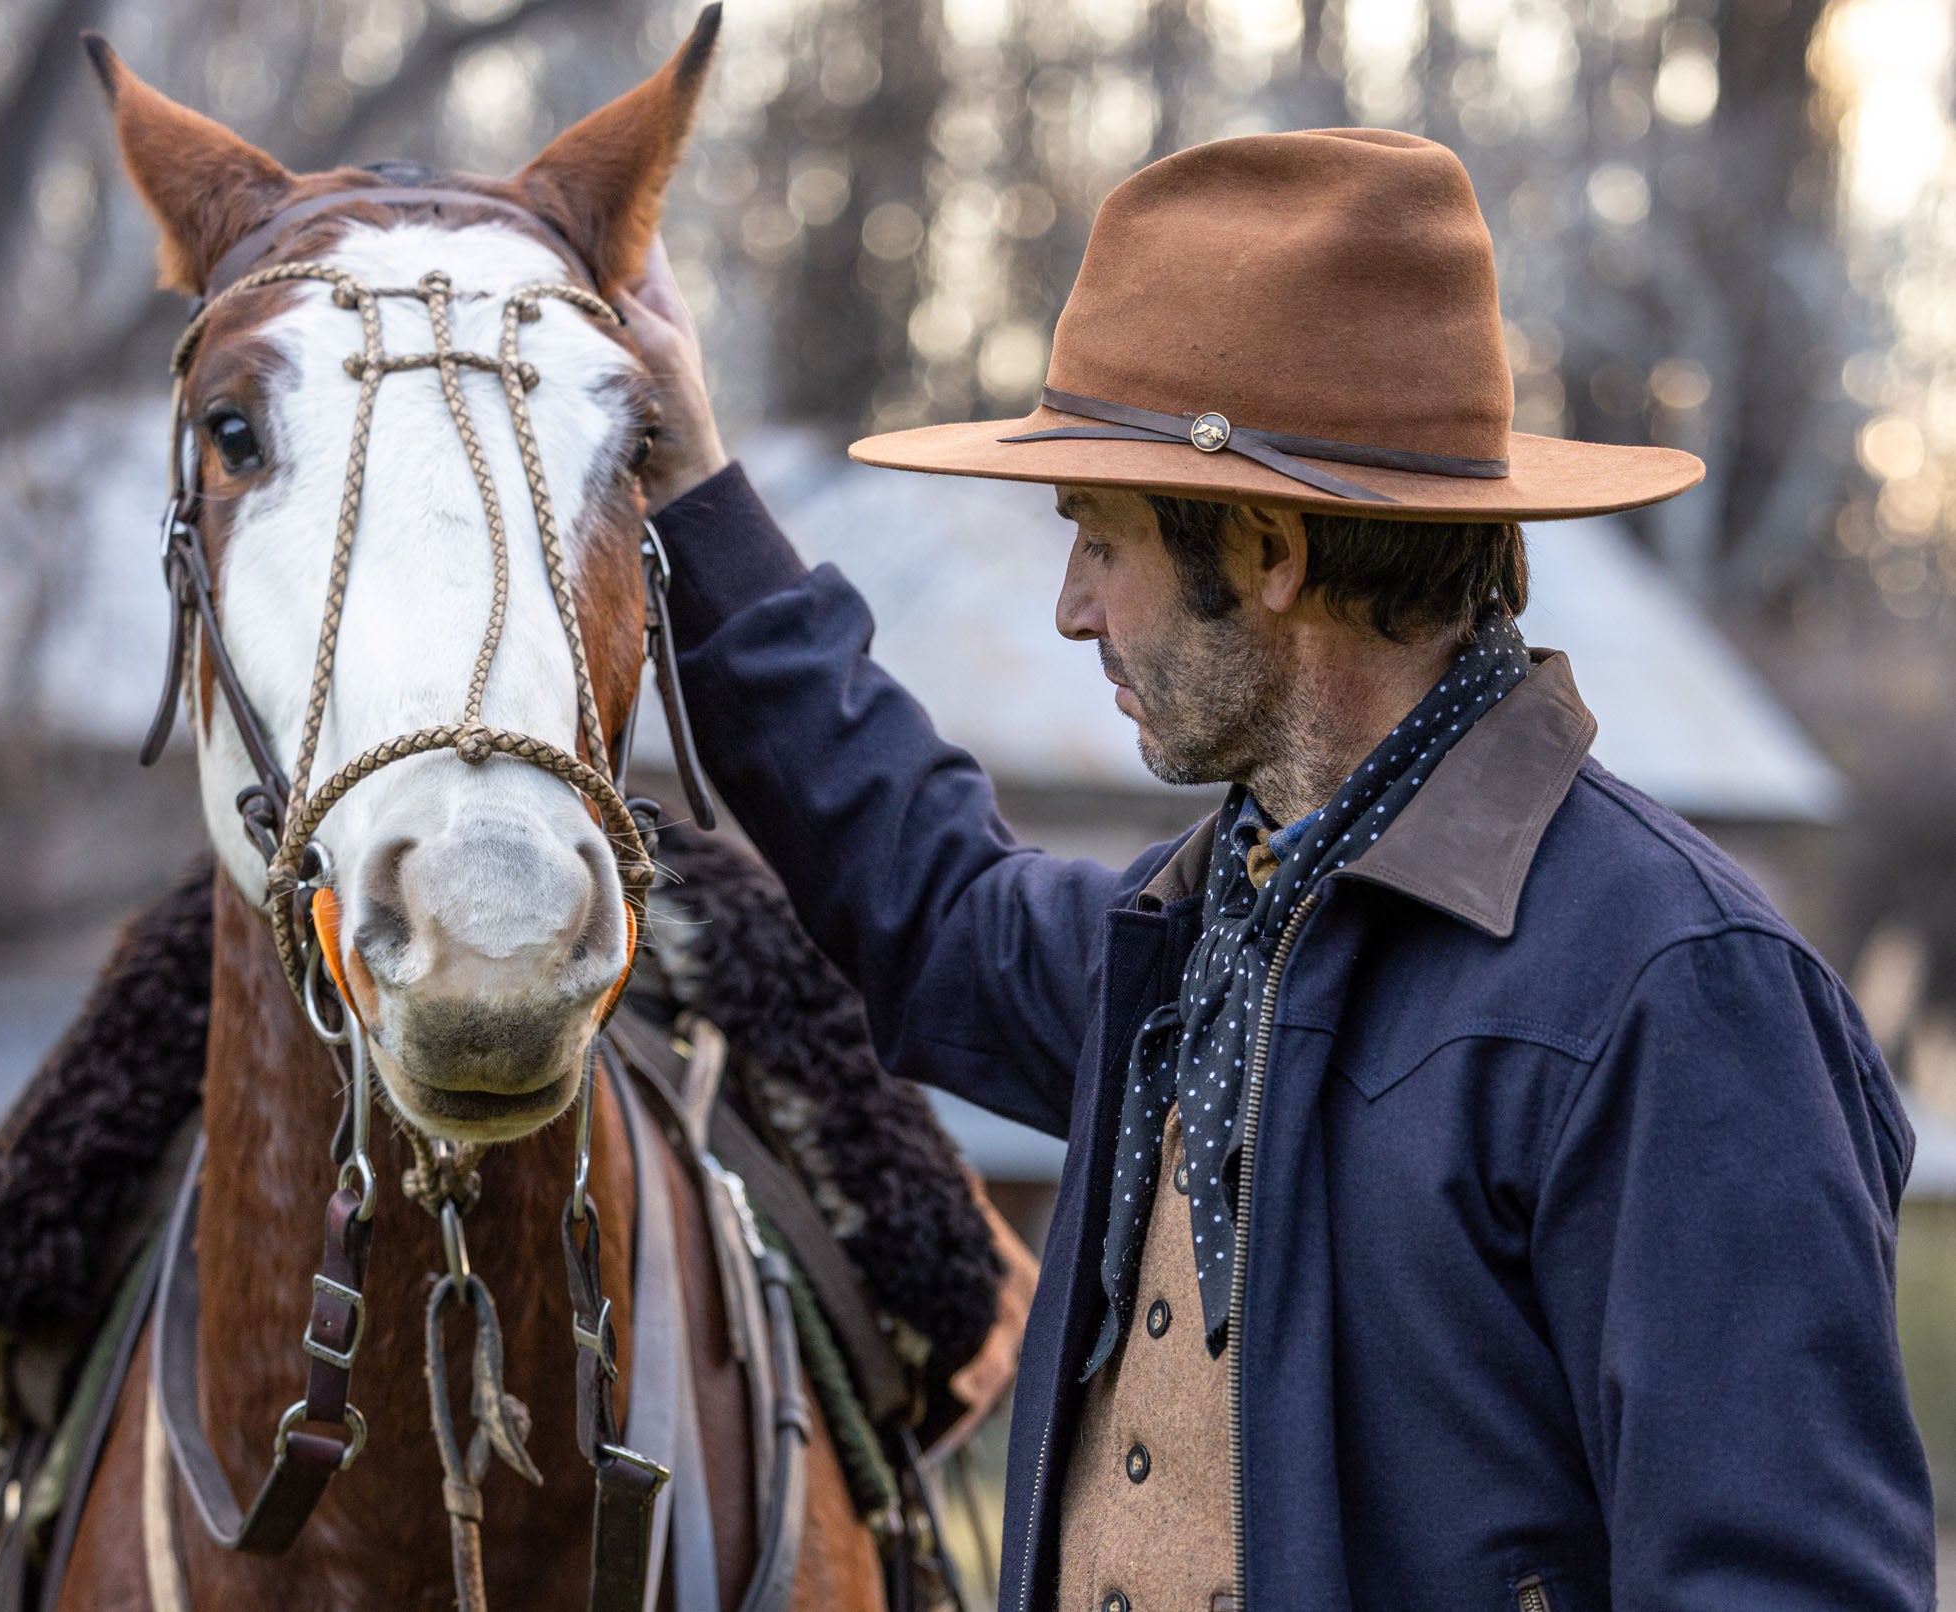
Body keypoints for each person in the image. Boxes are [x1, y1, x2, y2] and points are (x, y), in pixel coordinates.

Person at [616, 129, 1936, 1611]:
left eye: (1099, 540)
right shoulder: (1215, 931)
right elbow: (933, 901)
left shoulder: (1675, 992)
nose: (1069, 609)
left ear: (1264, 552)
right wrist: (696, 496)